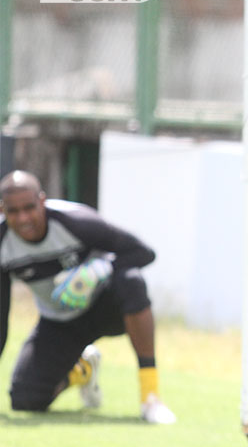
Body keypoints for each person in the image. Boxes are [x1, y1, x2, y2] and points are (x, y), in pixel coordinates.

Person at [0, 170, 176, 424]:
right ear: (3, 210)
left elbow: (143, 253)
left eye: (29, 207)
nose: (24, 218)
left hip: (106, 307)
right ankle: (82, 369)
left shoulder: (75, 222)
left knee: (132, 281)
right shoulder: (3, 244)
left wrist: (99, 269)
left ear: (42, 201)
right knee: (25, 399)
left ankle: (150, 397)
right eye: (14, 211)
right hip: (59, 322)